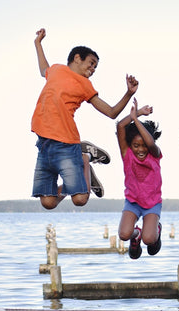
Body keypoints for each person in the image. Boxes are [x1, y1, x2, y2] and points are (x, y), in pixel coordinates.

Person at [31, 28, 139, 210]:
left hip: (66, 144)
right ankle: (81, 170)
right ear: (77, 58)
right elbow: (43, 69)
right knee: (48, 203)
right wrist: (38, 44)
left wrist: (128, 94)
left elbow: (111, 112)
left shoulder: (85, 85)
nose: (93, 68)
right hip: (43, 145)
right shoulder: (56, 70)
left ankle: (85, 158)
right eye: (91, 63)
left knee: (80, 199)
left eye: (96, 66)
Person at [116, 98, 162, 259]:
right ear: (130, 145)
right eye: (136, 145)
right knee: (123, 234)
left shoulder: (154, 154)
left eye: (143, 145)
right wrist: (138, 113)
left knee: (149, 239)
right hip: (133, 202)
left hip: (152, 204)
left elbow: (149, 143)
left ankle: (156, 230)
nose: (141, 149)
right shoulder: (126, 154)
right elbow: (120, 126)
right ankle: (136, 235)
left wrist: (136, 120)